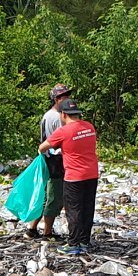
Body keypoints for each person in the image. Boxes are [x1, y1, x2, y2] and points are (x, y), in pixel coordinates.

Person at [40, 101, 99, 255]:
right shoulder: (89, 127)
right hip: (92, 174)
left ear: (64, 114)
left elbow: (43, 147)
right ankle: (85, 241)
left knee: (73, 210)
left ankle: (73, 243)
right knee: (87, 208)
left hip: (74, 176)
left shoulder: (64, 131)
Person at [32, 83, 72, 241]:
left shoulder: (51, 115)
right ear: (56, 99)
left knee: (46, 196)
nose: (67, 98)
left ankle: (32, 228)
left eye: (68, 95)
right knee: (54, 197)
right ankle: (47, 233)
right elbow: (56, 141)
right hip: (54, 160)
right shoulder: (55, 117)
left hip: (51, 158)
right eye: (64, 96)